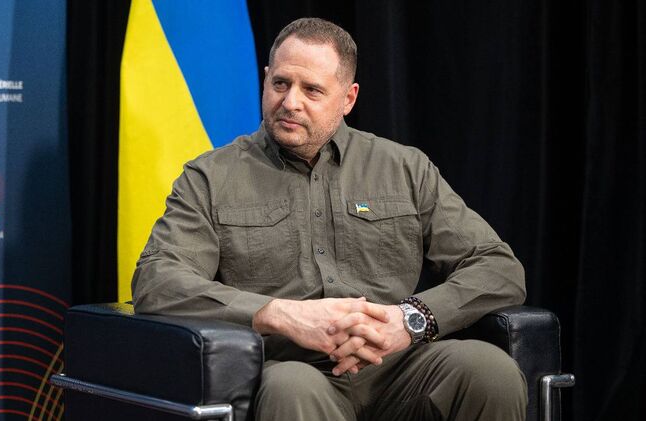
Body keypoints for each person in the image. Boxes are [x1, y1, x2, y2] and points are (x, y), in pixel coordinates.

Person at [132, 17, 527, 421]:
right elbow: (157, 280)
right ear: (265, 79)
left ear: (348, 98)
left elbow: (499, 268)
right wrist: (280, 314)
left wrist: (409, 319)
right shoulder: (211, 177)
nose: (290, 102)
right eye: (280, 83)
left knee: (489, 371)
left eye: (312, 90)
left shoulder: (405, 169)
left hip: (398, 367)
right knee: (291, 386)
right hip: (291, 368)